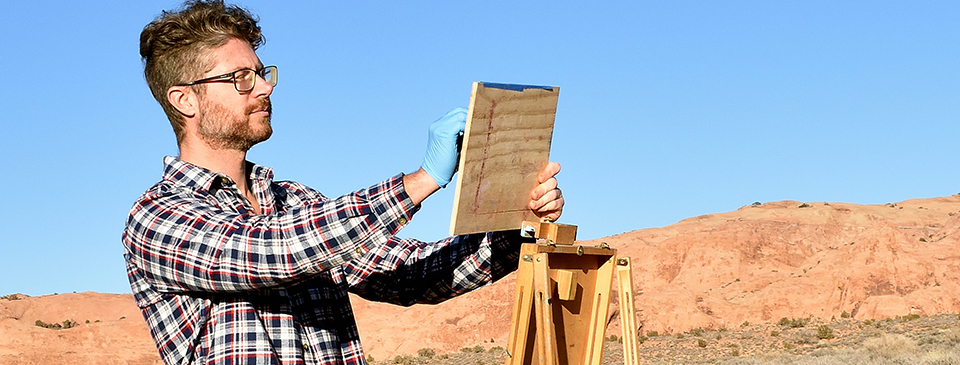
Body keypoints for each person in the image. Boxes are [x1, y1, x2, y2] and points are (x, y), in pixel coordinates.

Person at [123, 1, 565, 364]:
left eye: (261, 72)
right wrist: (423, 180)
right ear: (184, 99)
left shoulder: (296, 202)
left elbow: (409, 275)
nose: (263, 88)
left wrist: (516, 226)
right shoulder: (156, 218)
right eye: (240, 78)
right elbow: (275, 252)